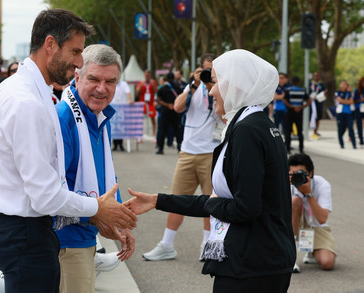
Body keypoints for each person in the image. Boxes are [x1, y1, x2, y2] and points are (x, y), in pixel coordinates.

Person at [0, 9, 137, 293]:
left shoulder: (28, 92)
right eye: (75, 51)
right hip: (24, 234)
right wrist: (97, 209)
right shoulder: (27, 101)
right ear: (50, 45)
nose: (79, 62)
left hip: (25, 233)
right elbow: (45, 195)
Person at [125, 49, 295, 293]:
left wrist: (214, 205)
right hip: (264, 260)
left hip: (252, 265)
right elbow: (229, 201)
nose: (211, 90)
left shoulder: (247, 131)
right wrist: (157, 200)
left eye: (215, 82)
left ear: (235, 85)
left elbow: (243, 207)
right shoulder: (258, 124)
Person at [55, 44, 135, 293]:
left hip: (85, 239)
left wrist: (119, 220)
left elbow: (106, 178)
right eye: (94, 79)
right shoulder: (63, 117)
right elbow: (53, 189)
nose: (102, 89)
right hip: (64, 243)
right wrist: (100, 214)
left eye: (110, 81)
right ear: (77, 77)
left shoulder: (100, 116)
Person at [143, 54, 223, 261]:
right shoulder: (191, 88)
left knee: (210, 202)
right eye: (205, 70)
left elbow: (223, 115)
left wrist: (212, 86)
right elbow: (177, 107)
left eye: (212, 71)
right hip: (188, 151)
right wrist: (194, 85)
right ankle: (167, 245)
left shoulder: (221, 89)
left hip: (211, 152)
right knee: (177, 199)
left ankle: (208, 245)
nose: (208, 75)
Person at [289, 153, 336, 273]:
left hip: (315, 225)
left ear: (310, 173)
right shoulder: (284, 184)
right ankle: (290, 256)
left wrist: (308, 193)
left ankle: (311, 252)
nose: (296, 177)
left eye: (300, 174)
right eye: (292, 174)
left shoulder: (322, 185)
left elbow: (322, 219)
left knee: (327, 263)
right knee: (295, 201)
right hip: (290, 225)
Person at [155, 72, 183, 154]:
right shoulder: (178, 87)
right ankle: (179, 148)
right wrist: (173, 105)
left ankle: (160, 149)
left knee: (163, 130)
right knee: (177, 130)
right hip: (175, 110)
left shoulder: (162, 88)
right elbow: (181, 98)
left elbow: (159, 100)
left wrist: (167, 105)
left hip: (165, 110)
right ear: (174, 78)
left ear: (166, 79)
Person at [283, 76, 311, 154]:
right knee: (299, 132)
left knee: (288, 131)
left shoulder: (288, 90)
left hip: (290, 112)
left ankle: (287, 148)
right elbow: (308, 101)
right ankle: (301, 148)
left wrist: (292, 107)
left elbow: (285, 101)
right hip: (299, 113)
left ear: (291, 82)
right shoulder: (303, 90)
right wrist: (301, 107)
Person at [112, 79, 134, 151]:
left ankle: (121, 144)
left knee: (121, 127)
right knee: (114, 127)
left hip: (121, 109)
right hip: (112, 108)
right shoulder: (111, 83)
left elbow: (128, 92)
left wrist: (130, 99)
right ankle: (115, 145)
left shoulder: (123, 84)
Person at [136, 70, 158, 137]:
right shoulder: (141, 82)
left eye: (148, 76)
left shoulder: (153, 82)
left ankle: (154, 135)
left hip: (150, 103)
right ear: (144, 75)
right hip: (142, 103)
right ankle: (140, 135)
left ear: (150, 76)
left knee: (153, 119)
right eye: (146, 76)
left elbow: (156, 91)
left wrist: (153, 85)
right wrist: (141, 86)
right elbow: (137, 93)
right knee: (140, 119)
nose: (147, 77)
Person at [335, 80, 356, 149]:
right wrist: (347, 101)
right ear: (340, 85)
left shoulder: (349, 93)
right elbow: (339, 100)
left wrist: (344, 101)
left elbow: (351, 101)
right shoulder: (338, 92)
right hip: (340, 113)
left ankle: (354, 145)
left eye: (345, 84)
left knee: (351, 128)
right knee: (341, 129)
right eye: (343, 84)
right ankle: (341, 144)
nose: (344, 86)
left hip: (348, 113)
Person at [309, 72, 326, 139]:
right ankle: (310, 130)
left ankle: (315, 131)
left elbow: (324, 93)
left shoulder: (321, 85)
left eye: (317, 76)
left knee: (317, 118)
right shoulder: (310, 84)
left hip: (318, 103)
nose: (316, 77)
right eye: (315, 76)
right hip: (311, 103)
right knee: (310, 117)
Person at [353, 77, 364, 147]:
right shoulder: (357, 91)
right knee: (359, 125)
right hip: (359, 109)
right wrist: (361, 100)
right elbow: (354, 100)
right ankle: (361, 141)